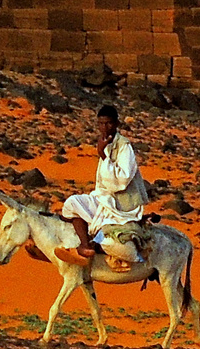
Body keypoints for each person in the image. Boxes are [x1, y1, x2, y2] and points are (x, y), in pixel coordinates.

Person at [55, 104, 147, 267]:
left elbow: (123, 179)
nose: (105, 127)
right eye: (101, 124)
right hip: (104, 197)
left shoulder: (124, 146)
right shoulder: (105, 142)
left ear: (116, 124)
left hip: (122, 204)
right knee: (71, 205)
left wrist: (102, 156)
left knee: (91, 217)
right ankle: (86, 246)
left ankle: (85, 247)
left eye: (109, 123)